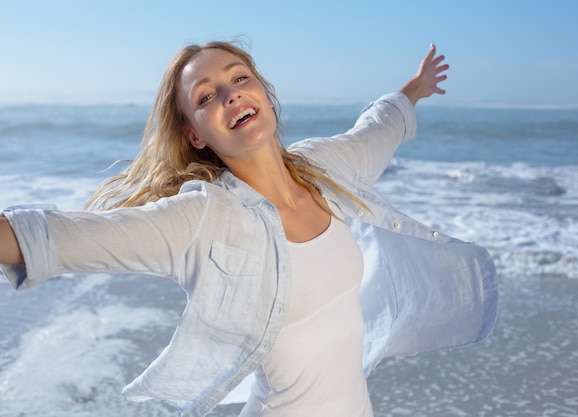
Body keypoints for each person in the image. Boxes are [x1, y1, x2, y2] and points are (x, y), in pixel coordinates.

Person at [0, 40, 498, 417]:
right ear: (196, 134)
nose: (230, 94)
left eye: (239, 78)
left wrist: (414, 88)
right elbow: (57, 239)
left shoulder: (324, 167)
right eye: (206, 95)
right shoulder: (201, 219)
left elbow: (377, 130)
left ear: (263, 94)